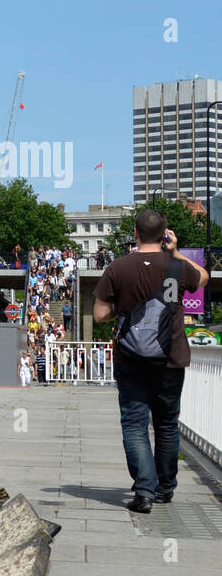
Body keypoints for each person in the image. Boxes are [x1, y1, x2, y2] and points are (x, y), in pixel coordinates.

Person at [93, 208, 209, 513]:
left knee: (135, 424)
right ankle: (165, 488)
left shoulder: (118, 268)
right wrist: (177, 252)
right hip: (171, 358)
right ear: (165, 235)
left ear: (135, 233)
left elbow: (100, 314)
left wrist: (127, 309)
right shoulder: (177, 268)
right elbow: (205, 278)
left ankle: (144, 491)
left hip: (130, 358)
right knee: (167, 424)